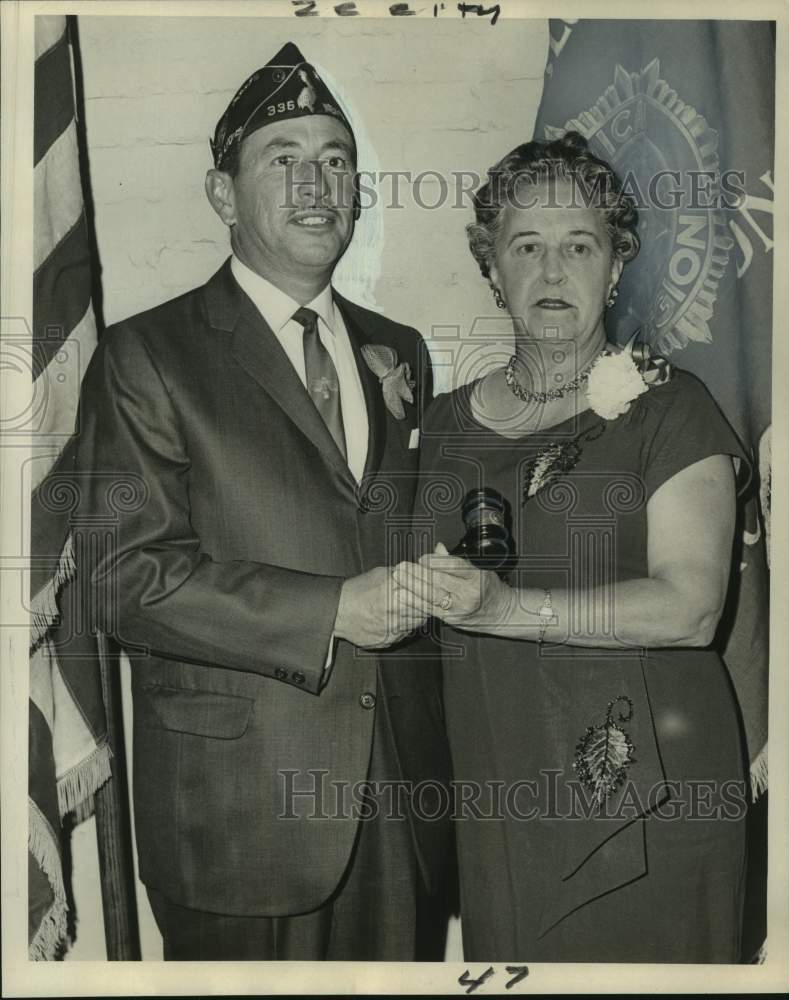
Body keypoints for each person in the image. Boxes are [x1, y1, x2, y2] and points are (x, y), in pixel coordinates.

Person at [74, 42, 452, 961]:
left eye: (334, 159)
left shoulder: (396, 346)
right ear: (221, 195)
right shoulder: (147, 356)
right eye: (281, 159)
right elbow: (120, 580)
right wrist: (331, 610)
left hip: (399, 802)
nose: (315, 182)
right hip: (239, 814)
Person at [395, 132, 750, 962]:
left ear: (616, 264)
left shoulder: (672, 408)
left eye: (578, 246)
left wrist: (508, 609)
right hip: (498, 793)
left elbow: (690, 607)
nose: (552, 273)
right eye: (525, 247)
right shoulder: (432, 427)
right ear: (491, 268)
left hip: (653, 798)